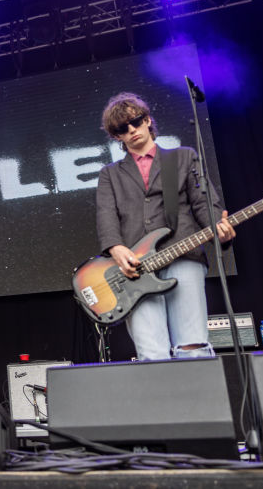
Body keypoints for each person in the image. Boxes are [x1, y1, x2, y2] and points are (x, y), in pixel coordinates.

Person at [96, 93, 235, 361]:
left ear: (148, 120)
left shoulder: (184, 157)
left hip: (183, 254)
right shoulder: (109, 174)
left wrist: (219, 229)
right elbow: (106, 215)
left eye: (136, 121)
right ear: (117, 136)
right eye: (123, 128)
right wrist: (115, 248)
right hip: (137, 268)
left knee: (192, 346)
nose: (132, 130)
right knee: (152, 354)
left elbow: (203, 203)